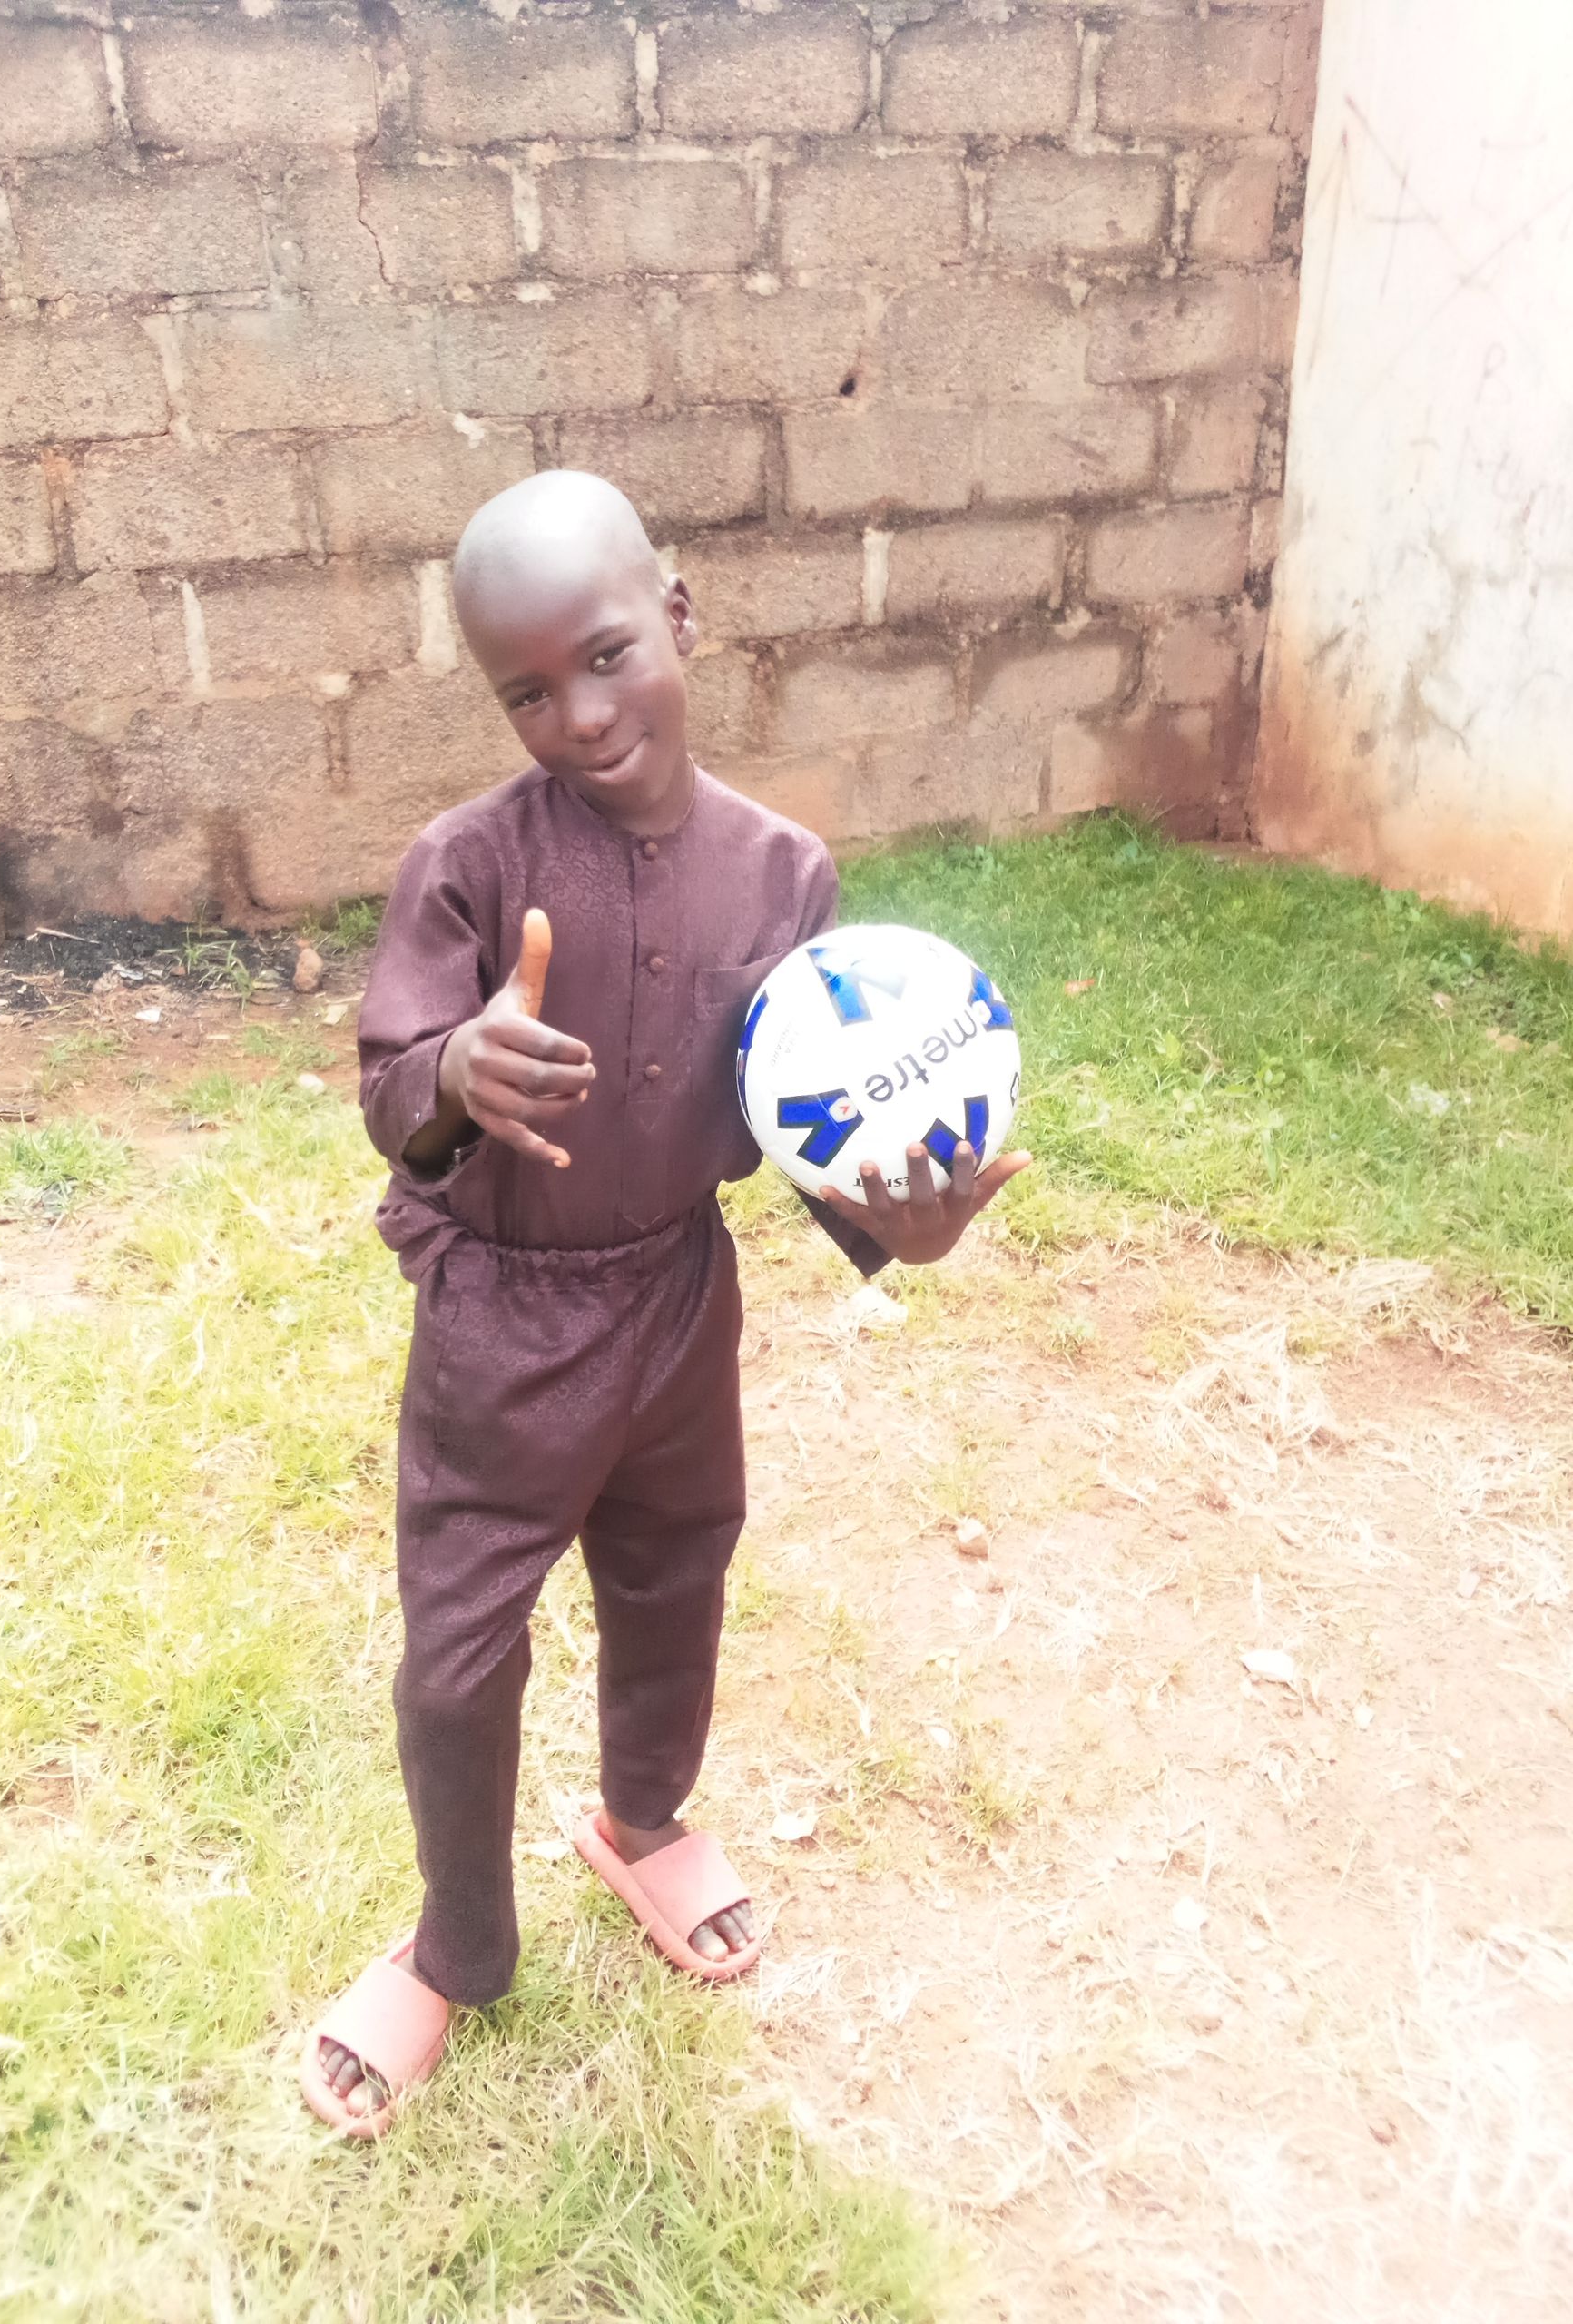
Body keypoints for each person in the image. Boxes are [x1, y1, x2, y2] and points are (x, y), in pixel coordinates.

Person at [300, 471, 1031, 2136]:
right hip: (501, 1326)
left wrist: (901, 1233)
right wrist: (454, 1068)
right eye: (528, 692)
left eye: (609, 655)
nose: (579, 713)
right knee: (457, 1656)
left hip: (680, 1305)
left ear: (679, 617)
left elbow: (811, 1127)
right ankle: (455, 1947)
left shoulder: (785, 879)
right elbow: (391, 1082)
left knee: (676, 1573)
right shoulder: (468, 867)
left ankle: (640, 1820)